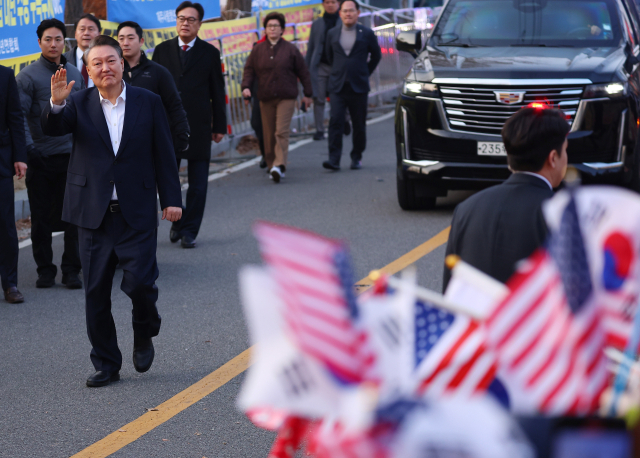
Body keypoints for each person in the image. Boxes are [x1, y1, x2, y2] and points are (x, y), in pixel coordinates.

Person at [41, 35, 182, 387]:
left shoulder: (147, 102)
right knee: (96, 292)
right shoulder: (77, 102)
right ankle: (106, 362)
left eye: (111, 60)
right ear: (88, 71)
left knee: (141, 284)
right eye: (97, 63)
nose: (105, 68)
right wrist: (56, 105)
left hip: (136, 211)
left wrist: (172, 198)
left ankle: (144, 330)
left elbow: (164, 153)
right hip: (93, 212)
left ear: (122, 63)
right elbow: (53, 127)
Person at [442, 107, 570, 291]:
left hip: (476, 318)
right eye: (565, 150)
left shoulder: (466, 209)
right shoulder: (561, 213)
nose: (566, 157)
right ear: (553, 158)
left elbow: (451, 291)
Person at [16, 19, 84, 289]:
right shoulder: (27, 77)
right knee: (41, 218)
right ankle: (45, 270)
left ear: (64, 42)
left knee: (74, 217)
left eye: (58, 39)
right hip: (40, 157)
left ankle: (71, 270)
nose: (53, 44)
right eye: (48, 39)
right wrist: (30, 149)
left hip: (73, 158)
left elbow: (83, 115)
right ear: (39, 42)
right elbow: (18, 117)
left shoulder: (76, 74)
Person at [152, 1, 227, 249]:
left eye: (191, 19)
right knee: (167, 180)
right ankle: (178, 217)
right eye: (181, 18)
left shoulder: (210, 53)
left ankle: (190, 230)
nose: (185, 23)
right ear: (176, 21)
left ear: (200, 24)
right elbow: (153, 90)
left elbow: (218, 91)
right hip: (168, 127)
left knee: (198, 184)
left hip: (199, 126)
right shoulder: (162, 51)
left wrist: (220, 126)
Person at [241, 11, 313, 183]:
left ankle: (279, 165)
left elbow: (303, 72)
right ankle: (272, 163)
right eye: (269, 26)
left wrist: (308, 94)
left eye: (276, 26)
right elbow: (249, 70)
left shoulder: (291, 49)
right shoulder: (258, 50)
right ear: (265, 29)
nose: (272, 29)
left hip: (286, 96)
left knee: (281, 131)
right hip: (265, 97)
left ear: (282, 30)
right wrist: (246, 87)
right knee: (268, 133)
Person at [322, 0, 381, 171]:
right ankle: (334, 159)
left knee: (359, 124)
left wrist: (364, 72)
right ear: (340, 13)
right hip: (337, 86)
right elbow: (329, 56)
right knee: (335, 122)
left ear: (358, 12)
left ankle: (357, 156)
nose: (348, 14)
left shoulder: (367, 33)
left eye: (351, 11)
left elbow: (376, 56)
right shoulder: (332, 33)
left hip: (359, 86)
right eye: (345, 11)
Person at [116, 21, 190, 156]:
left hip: (152, 142)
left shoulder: (158, 72)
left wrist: (182, 133)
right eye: (121, 38)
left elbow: (174, 104)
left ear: (141, 41)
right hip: (119, 142)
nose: (125, 43)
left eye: (131, 38)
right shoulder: (112, 73)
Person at [0, 65, 27, 304]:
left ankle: (10, 284)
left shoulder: (5, 75)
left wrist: (20, 156)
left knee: (5, 225)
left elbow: (15, 116)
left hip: (1, 162)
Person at [306, 0, 351, 141]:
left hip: (339, 67)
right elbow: (311, 47)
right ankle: (319, 129)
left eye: (333, 2)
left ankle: (343, 120)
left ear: (338, 4)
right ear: (323, 5)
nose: (330, 5)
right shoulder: (317, 24)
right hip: (321, 66)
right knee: (318, 98)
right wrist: (308, 67)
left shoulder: (344, 22)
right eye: (327, 2)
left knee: (339, 97)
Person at [64, 13, 101, 89]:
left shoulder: (107, 62)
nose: (86, 33)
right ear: (75, 34)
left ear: (99, 34)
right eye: (82, 29)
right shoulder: (62, 61)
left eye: (91, 29)